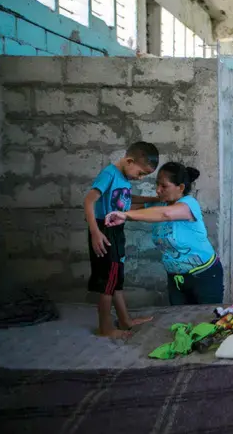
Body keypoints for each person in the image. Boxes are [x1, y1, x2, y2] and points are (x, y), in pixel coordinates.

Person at [105, 162, 224, 306]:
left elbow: (166, 214)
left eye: (164, 186)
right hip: (175, 277)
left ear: (180, 188)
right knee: (179, 320)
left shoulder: (188, 204)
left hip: (204, 275)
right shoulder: (161, 204)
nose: (158, 190)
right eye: (157, 185)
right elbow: (127, 202)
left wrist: (125, 216)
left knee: (208, 319)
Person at [84, 141, 160, 338]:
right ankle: (105, 328)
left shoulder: (124, 178)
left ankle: (125, 320)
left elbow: (128, 200)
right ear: (129, 161)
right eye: (141, 173)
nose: (140, 178)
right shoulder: (109, 174)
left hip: (116, 231)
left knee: (116, 278)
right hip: (103, 231)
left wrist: (152, 201)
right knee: (107, 282)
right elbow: (89, 200)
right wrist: (95, 232)